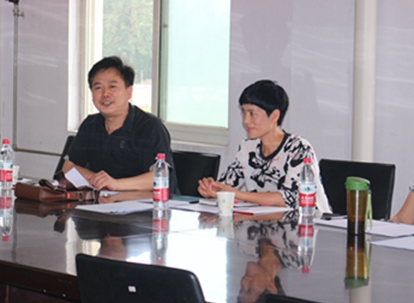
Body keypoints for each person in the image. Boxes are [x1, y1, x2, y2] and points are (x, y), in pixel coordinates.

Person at [198, 79, 331, 212]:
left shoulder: (298, 148)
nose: (246, 120)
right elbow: (227, 185)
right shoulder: (248, 148)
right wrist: (211, 188)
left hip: (309, 221)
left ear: (274, 115)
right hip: (265, 221)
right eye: (243, 112)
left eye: (252, 113)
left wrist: (236, 194)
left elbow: (290, 198)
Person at [63, 56, 177, 192]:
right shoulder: (90, 125)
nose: (105, 94)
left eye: (112, 87)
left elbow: (162, 176)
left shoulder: (150, 127)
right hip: (104, 200)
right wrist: (99, 180)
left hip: (150, 202)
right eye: (98, 88)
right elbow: (68, 168)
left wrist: (116, 184)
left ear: (129, 91)